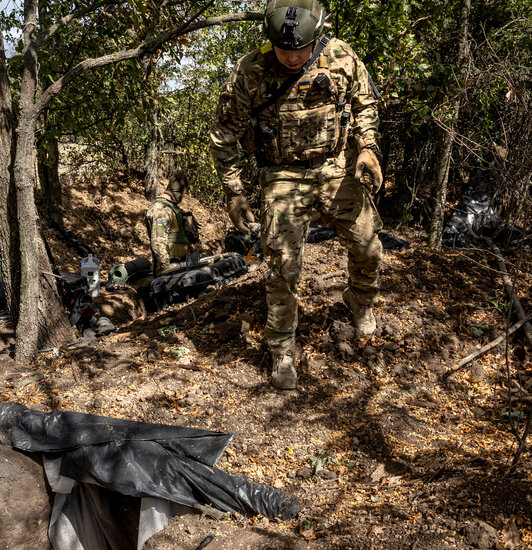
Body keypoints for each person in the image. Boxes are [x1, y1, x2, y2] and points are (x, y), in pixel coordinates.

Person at [210, 0, 385, 389]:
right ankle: (282, 349)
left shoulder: (341, 57)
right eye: (283, 49)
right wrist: (234, 192)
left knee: (368, 245)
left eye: (301, 49)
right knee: (282, 265)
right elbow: (224, 134)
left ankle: (359, 300)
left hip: (335, 165)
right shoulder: (251, 70)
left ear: (317, 37)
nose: (291, 58)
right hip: (282, 172)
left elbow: (366, 105)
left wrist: (368, 148)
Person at [144, 172, 201, 276]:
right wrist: (168, 271)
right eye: (184, 193)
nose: (184, 196)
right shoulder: (161, 210)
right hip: (171, 273)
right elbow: (158, 243)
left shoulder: (171, 208)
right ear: (182, 190)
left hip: (181, 268)